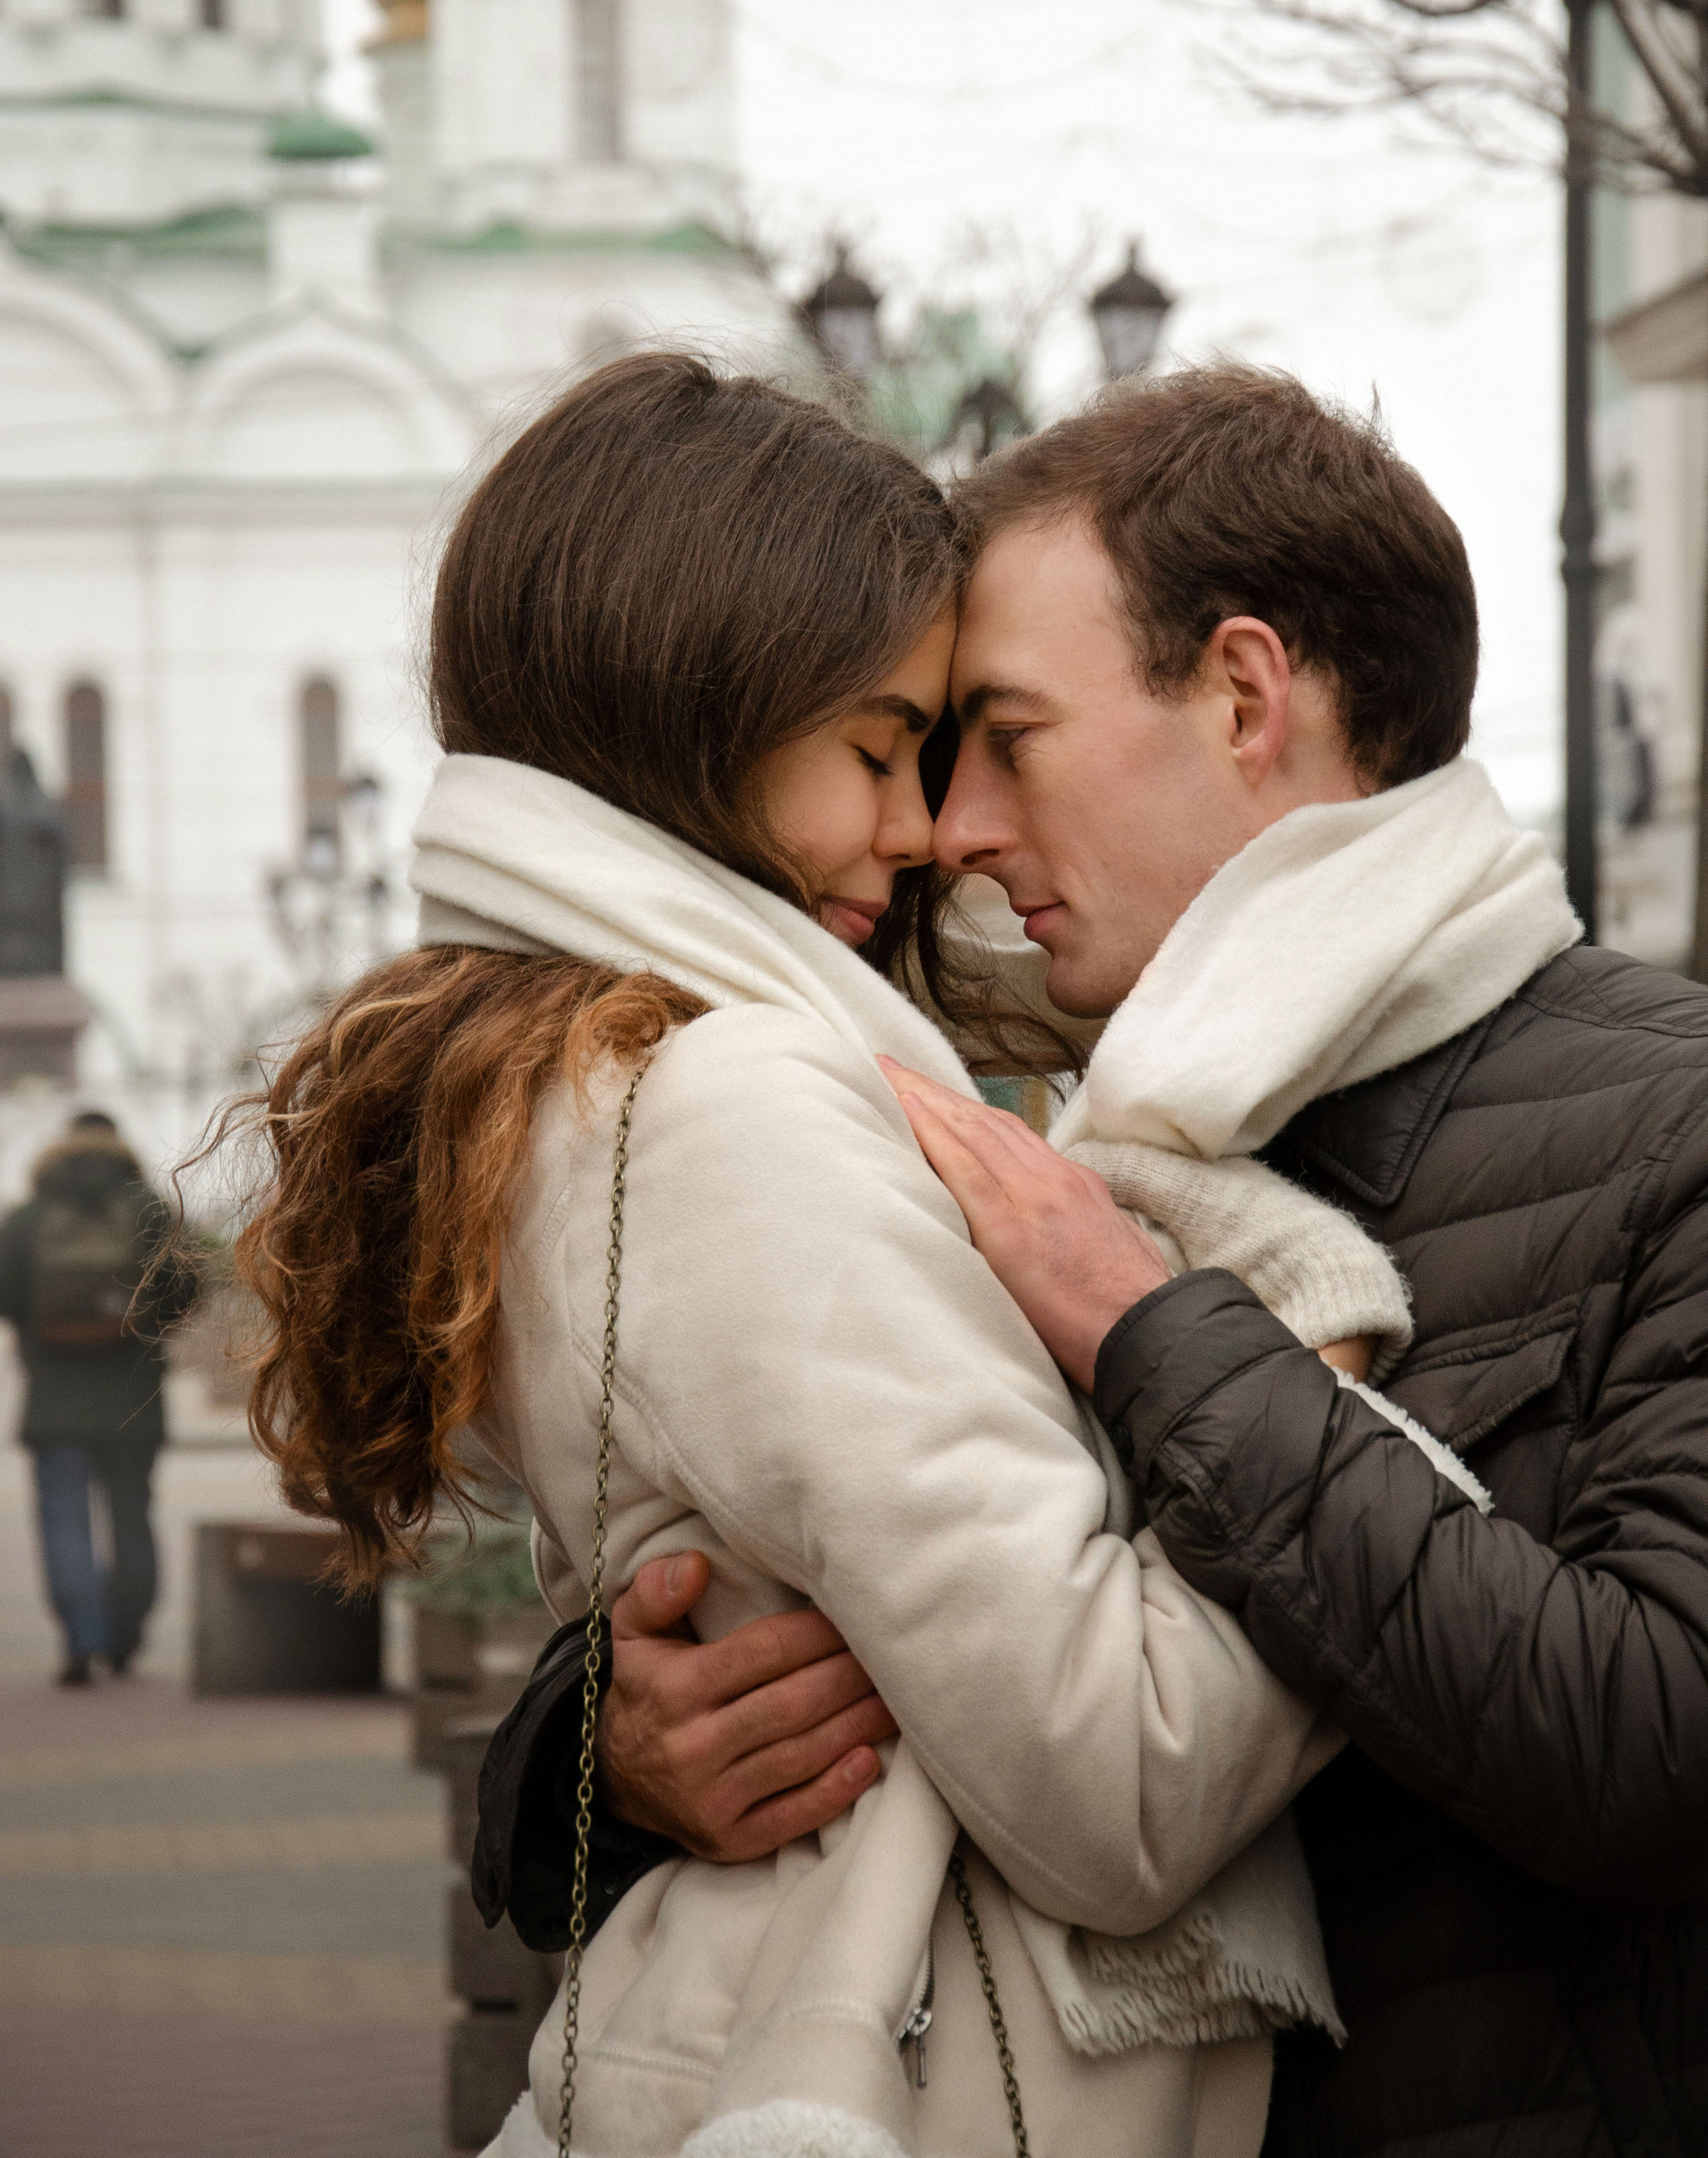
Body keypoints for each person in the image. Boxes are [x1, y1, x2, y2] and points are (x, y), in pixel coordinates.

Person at [230, 354, 1456, 2158]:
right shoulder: (730, 1113)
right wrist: (1305, 1382)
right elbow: (1107, 1769)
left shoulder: (639, 1080)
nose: (915, 831)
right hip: (940, 2073)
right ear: (697, 725)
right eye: (879, 748)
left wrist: (593, 1750)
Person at [488, 366, 1708, 2158]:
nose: (953, 827)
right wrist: (603, 1758)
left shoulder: (1668, 1121)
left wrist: (1162, 1338)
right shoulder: (1083, 1124)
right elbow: (921, 1605)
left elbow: (1664, 1755)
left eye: (1005, 733)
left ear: (1237, 694)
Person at [0, 1109, 195, 1687]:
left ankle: (82, 1636)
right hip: (132, 1392)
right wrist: (149, 1328)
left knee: (63, 1519)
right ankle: (126, 1638)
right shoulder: (149, 1209)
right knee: (132, 1513)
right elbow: (188, 1284)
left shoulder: (30, 1214)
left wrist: (32, 1325)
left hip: (53, 1395)